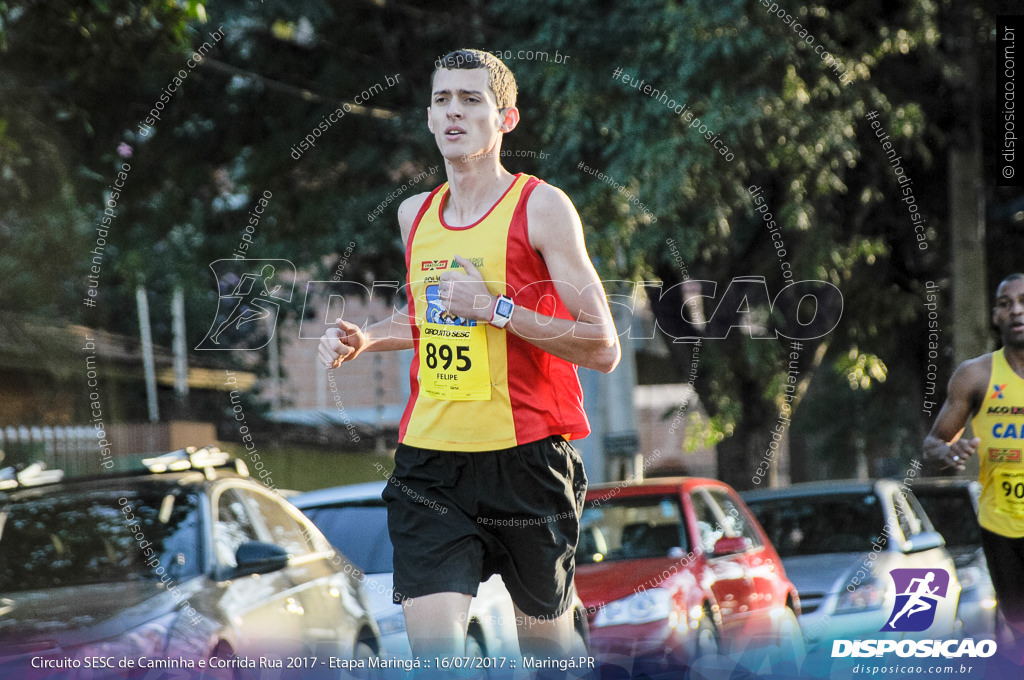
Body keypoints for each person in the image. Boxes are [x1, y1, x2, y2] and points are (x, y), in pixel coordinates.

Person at [318, 49, 620, 661]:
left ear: (506, 118)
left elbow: (603, 345)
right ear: (428, 118)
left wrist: (498, 309)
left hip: (527, 461)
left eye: (471, 100)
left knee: (548, 657)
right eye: (441, 100)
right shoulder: (415, 215)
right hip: (432, 465)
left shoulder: (542, 207)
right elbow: (429, 318)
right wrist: (368, 337)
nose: (454, 112)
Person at [924, 273, 1024, 645]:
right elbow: (932, 444)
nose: (1016, 310)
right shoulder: (975, 375)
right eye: (1006, 303)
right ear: (996, 315)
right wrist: (948, 451)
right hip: (1000, 524)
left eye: (1023, 301)